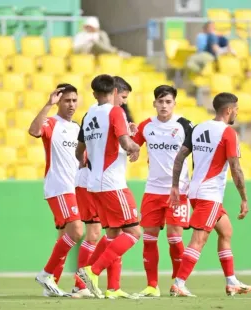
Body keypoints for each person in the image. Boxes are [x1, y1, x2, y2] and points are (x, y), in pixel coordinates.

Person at [168, 92, 251, 297]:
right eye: (237, 110)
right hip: (210, 193)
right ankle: (179, 283)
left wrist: (175, 185)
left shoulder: (198, 128)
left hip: (196, 192)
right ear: (229, 110)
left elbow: (180, 157)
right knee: (199, 239)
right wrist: (244, 198)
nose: (237, 113)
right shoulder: (228, 133)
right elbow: (236, 168)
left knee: (226, 232)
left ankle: (231, 281)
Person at [75, 74, 141, 299]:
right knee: (133, 232)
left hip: (94, 184)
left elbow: (79, 151)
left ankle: (113, 288)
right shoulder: (115, 112)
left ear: (94, 94)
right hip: (113, 183)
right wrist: (135, 147)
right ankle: (91, 271)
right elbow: (124, 142)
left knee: (113, 233)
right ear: (114, 91)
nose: (122, 100)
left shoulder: (88, 115)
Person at [131, 85, 194, 298]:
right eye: (160, 101)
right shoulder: (146, 126)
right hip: (152, 191)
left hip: (178, 191)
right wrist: (131, 144)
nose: (164, 105)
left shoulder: (185, 125)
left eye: (168, 102)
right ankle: (151, 286)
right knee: (149, 239)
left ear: (174, 104)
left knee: (174, 238)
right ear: (154, 103)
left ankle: (178, 284)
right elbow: (132, 146)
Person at [29, 84, 82, 297]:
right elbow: (33, 131)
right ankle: (46, 274)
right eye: (66, 100)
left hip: (75, 188)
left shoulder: (78, 127)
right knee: (76, 231)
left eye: (74, 100)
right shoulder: (51, 122)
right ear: (59, 101)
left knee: (64, 236)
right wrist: (48, 104)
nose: (71, 105)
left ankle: (52, 284)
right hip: (59, 187)